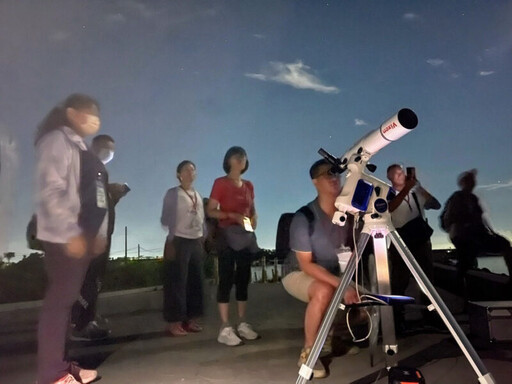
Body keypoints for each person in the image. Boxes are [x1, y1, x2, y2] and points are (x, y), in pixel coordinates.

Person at [34, 94, 106, 384]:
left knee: (65, 306)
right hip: (64, 238)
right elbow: (51, 191)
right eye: (91, 114)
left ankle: (62, 365)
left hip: (79, 238)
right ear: (73, 113)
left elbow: (89, 195)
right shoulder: (56, 141)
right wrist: (72, 232)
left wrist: (94, 234)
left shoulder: (78, 145)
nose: (96, 120)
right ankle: (52, 374)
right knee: (58, 305)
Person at [282, 159, 360, 379]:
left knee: (366, 304)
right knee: (325, 291)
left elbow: (349, 251)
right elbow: (306, 264)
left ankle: (330, 340)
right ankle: (309, 352)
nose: (334, 178)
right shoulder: (304, 217)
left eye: (336, 174)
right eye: (328, 175)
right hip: (298, 272)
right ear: (315, 182)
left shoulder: (345, 216)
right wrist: (343, 286)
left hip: (330, 273)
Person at [70, 134, 129, 340]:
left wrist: (112, 194)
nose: (109, 152)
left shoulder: (99, 171)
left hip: (101, 236)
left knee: (94, 281)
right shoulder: (86, 167)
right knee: (86, 280)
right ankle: (80, 325)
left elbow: (99, 202)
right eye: (106, 147)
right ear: (95, 147)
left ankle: (88, 319)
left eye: (112, 148)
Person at [206, 146, 260, 346]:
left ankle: (242, 323)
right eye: (236, 156)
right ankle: (225, 327)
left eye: (243, 156)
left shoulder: (249, 185)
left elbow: (253, 209)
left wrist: (253, 219)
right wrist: (231, 215)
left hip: (245, 237)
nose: (241, 159)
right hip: (227, 237)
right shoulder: (220, 183)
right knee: (226, 278)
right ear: (228, 160)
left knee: (243, 280)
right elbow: (211, 211)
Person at [386, 164, 441, 331]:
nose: (401, 174)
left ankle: (431, 315)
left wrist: (418, 187)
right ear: (389, 178)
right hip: (400, 241)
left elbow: (435, 204)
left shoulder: (417, 192)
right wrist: (405, 190)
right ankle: (397, 318)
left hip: (420, 241)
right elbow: (389, 208)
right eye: (396, 173)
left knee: (427, 280)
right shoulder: (386, 193)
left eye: (401, 171)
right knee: (398, 281)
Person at [443, 169, 512, 289]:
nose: (473, 183)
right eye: (469, 180)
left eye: (473, 180)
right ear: (464, 183)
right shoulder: (457, 197)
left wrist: (492, 233)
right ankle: (458, 288)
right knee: (465, 261)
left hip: (478, 235)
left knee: (505, 243)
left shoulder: (473, 199)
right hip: (463, 236)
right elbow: (450, 219)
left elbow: (480, 220)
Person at [160, 160, 207, 336]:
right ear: (179, 174)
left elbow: (202, 218)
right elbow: (164, 219)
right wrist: (171, 239)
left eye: (193, 170)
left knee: (196, 282)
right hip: (178, 240)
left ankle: (191, 320)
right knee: (176, 282)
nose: (190, 172)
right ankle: (174, 322)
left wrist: (203, 236)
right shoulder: (173, 193)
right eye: (186, 170)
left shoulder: (198, 195)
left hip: (195, 242)